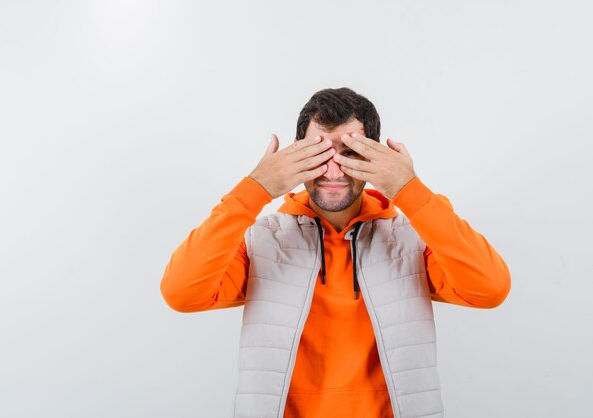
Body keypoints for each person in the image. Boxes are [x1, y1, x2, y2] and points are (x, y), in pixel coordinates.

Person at [160, 87, 511, 418]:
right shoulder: (261, 242)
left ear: (376, 158)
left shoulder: (412, 240)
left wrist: (409, 190)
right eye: (318, 152)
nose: (332, 170)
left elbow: (489, 288)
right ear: (296, 155)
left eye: (350, 153)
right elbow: (181, 293)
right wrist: (255, 189)